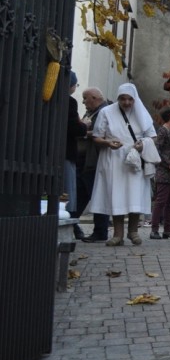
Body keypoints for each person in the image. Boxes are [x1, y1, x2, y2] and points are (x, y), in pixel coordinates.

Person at [90, 83, 158, 246]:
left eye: (129, 99)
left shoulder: (141, 112)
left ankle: (133, 231)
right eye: (122, 99)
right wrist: (107, 142)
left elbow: (153, 136)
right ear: (118, 98)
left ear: (134, 99)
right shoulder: (106, 112)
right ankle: (118, 234)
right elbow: (96, 136)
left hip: (135, 160)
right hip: (113, 159)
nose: (126, 102)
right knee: (116, 195)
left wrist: (142, 145)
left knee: (135, 195)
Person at [74, 86, 112, 242]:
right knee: (80, 193)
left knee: (96, 195)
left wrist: (83, 131)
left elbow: (103, 133)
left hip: (95, 159)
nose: (83, 102)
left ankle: (100, 231)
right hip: (84, 159)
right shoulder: (92, 112)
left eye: (85, 98)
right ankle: (71, 223)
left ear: (95, 98)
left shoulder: (106, 111)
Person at [149, 106, 170, 239]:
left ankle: (167, 229)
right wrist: (169, 163)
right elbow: (158, 150)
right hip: (164, 171)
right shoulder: (163, 131)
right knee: (161, 201)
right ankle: (154, 229)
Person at [64, 72, 87, 238]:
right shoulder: (69, 102)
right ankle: (71, 223)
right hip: (65, 151)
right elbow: (74, 127)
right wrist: (84, 126)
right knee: (68, 190)